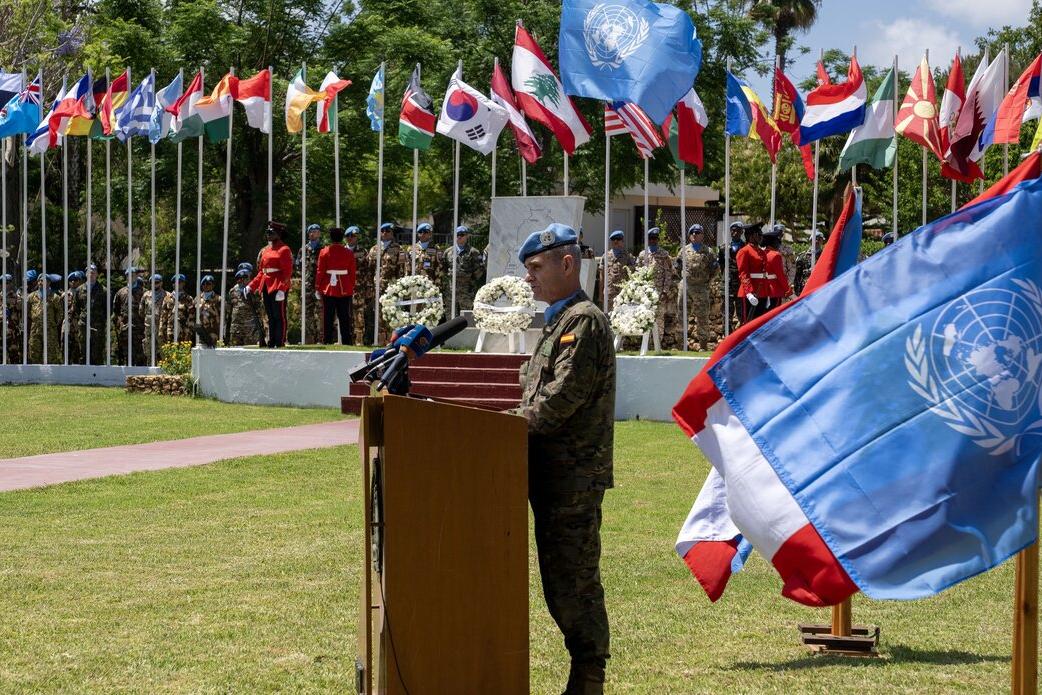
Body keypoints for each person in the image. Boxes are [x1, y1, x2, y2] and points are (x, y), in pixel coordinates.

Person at [515, 223, 614, 694]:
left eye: (536, 268)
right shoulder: (558, 321)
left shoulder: (584, 321)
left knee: (573, 582)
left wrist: (503, 426)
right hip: (548, 473)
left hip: (573, 477)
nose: (529, 278)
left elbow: (559, 399)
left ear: (567, 263)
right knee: (558, 581)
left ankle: (589, 675)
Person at [246, 220, 294, 348]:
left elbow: (287, 272)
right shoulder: (266, 250)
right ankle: (272, 340)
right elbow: (262, 272)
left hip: (278, 285)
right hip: (266, 284)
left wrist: (282, 289)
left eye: (271, 232)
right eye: (267, 232)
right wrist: (251, 285)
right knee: (271, 315)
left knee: (279, 315)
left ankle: (280, 341)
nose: (268, 234)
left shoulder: (284, 249)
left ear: (278, 234)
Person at [675, 224, 719, 351]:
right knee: (682, 315)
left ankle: (703, 345)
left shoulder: (708, 251)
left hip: (701, 288)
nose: (695, 234)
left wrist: (707, 282)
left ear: (702, 235)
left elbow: (715, 269)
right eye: (692, 232)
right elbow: (678, 268)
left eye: (698, 232)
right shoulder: (683, 250)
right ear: (689, 236)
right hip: (686, 287)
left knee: (703, 317)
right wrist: (684, 279)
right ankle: (681, 344)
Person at [636, 227, 680, 349]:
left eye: (655, 238)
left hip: (659, 293)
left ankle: (657, 345)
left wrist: (665, 291)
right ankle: (646, 345)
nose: (653, 241)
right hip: (645, 294)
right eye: (651, 238)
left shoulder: (664, 254)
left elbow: (668, 273)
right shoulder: (642, 255)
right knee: (645, 318)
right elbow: (637, 273)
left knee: (659, 319)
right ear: (648, 240)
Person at [316, 226, 356, 344]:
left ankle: (327, 340)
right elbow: (352, 272)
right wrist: (351, 285)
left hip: (328, 287)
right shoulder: (348, 252)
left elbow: (320, 271)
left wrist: (318, 287)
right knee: (344, 317)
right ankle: (347, 341)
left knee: (328, 316)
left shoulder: (324, 251)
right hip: (344, 286)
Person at [368, 222, 407, 343]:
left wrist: (400, 288)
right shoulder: (374, 249)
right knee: (379, 315)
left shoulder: (398, 249)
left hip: (392, 287)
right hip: (377, 287)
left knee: (392, 315)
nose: (384, 233)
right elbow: (369, 269)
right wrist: (370, 286)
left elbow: (402, 270)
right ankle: (380, 341)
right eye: (382, 231)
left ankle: (392, 341)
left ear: (392, 233)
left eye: (388, 231)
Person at [442, 225, 486, 313]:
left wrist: (470, 279)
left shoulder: (473, 252)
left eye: (461, 234)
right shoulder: (448, 252)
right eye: (457, 234)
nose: (459, 237)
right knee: (450, 314)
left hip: (466, 290)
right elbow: (444, 267)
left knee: (466, 316)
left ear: (467, 236)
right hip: (451, 290)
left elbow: (480, 269)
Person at [736, 224, 770, 324]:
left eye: (761, 234)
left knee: (759, 323)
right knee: (748, 322)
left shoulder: (761, 252)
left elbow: (764, 274)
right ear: (750, 236)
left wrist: (767, 293)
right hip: (750, 292)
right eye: (758, 234)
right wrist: (749, 293)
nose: (761, 237)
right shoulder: (744, 251)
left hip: (761, 291)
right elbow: (743, 273)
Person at [28, 273, 62, 364]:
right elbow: (27, 311)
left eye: (44, 280)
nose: (41, 282)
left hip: (50, 328)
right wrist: (34, 318)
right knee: (34, 349)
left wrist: (54, 323)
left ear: (49, 283)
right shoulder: (31, 296)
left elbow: (60, 312)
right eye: (40, 280)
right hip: (36, 328)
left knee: (51, 351)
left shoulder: (54, 297)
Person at [112, 267, 144, 365]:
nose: (131, 277)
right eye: (128, 275)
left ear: (136, 276)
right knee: (126, 356)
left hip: (139, 329)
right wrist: (120, 325)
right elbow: (115, 311)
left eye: (133, 275)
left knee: (140, 356)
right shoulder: (120, 292)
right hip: (125, 329)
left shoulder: (144, 292)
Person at [346, 226, 372, 345]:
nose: (351, 238)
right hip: (344, 288)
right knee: (345, 314)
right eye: (348, 236)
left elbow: (368, 270)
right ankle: (345, 340)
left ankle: (359, 341)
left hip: (359, 289)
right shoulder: (342, 251)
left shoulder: (363, 251)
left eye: (353, 236)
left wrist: (368, 287)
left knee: (359, 315)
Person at [76, 264, 106, 365]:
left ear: (97, 274)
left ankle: (98, 375)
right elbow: (76, 308)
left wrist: (101, 320)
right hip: (84, 324)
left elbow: (107, 309)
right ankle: (84, 375)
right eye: (89, 272)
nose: (91, 274)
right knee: (83, 350)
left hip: (98, 325)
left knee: (97, 350)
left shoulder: (103, 290)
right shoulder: (79, 290)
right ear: (86, 274)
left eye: (93, 272)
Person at [227, 269, 264, 346]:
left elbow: (260, 310)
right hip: (236, 328)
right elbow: (229, 311)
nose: (242, 280)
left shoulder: (255, 291)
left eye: (244, 277)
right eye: (239, 278)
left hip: (250, 329)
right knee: (235, 352)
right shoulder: (232, 291)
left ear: (250, 278)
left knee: (250, 353)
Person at [719, 221, 745, 328]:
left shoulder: (745, 247)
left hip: (741, 285)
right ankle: (727, 335)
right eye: (733, 230)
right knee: (726, 312)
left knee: (742, 312)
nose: (735, 233)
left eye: (738, 230)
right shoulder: (723, 248)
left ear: (742, 232)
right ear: (730, 231)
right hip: (727, 285)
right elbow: (721, 265)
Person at [301, 223, 324, 343]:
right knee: (307, 314)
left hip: (320, 286)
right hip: (307, 286)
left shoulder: (324, 249)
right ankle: (308, 339)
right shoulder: (303, 250)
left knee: (321, 313)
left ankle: (322, 339)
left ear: (319, 233)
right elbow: (298, 266)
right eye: (310, 231)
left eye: (315, 231)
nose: (312, 233)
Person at [762, 225, 794, 310]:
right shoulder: (775, 255)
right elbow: (780, 275)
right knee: (774, 314)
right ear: (773, 242)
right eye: (777, 240)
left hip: (763, 289)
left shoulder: (762, 253)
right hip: (775, 289)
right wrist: (788, 290)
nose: (779, 242)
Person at [601, 230, 634, 311]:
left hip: (623, 293)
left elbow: (632, 275)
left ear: (622, 241)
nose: (615, 241)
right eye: (613, 239)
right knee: (607, 316)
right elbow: (602, 274)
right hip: (609, 292)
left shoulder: (628, 256)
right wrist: (600, 293)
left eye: (618, 239)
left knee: (622, 317)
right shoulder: (605, 256)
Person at [138, 273, 167, 362]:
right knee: (149, 350)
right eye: (153, 282)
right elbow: (141, 311)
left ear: (161, 283)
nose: (155, 284)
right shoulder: (146, 295)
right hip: (149, 327)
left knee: (163, 350)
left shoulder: (167, 295)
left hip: (161, 328)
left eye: (157, 282)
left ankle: (165, 370)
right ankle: (150, 369)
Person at [160, 274, 194, 346]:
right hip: (170, 331)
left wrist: (189, 332)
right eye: (175, 282)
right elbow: (163, 316)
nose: (177, 284)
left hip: (184, 332)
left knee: (183, 353)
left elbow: (191, 317)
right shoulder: (167, 298)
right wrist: (161, 330)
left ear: (183, 283)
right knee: (170, 353)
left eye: (180, 282)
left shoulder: (188, 299)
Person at [194, 275, 221, 346]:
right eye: (204, 284)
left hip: (214, 331)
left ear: (213, 285)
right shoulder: (197, 299)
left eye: (208, 284)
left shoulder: (219, 299)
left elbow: (224, 316)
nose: (206, 286)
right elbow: (193, 314)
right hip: (202, 331)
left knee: (214, 354)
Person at [1, 274, 20, 364]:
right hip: (1, 325)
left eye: (7, 282)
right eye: (3, 283)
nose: (5, 285)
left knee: (13, 349)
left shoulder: (15, 296)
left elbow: (20, 309)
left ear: (11, 283)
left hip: (11, 327)